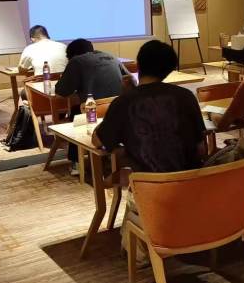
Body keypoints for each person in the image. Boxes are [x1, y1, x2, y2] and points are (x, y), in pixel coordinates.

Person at [92, 40, 207, 262]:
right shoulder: (185, 96)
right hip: (190, 185)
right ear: (170, 69)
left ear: (138, 64)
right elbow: (200, 147)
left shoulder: (124, 102)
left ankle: (141, 248)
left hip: (151, 191)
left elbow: (98, 141)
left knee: (121, 170)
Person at [55, 38, 129, 175]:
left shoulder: (76, 62)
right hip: (118, 106)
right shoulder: (111, 57)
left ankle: (76, 162)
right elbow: (130, 80)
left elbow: (61, 91)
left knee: (75, 112)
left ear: (72, 55)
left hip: (94, 110)